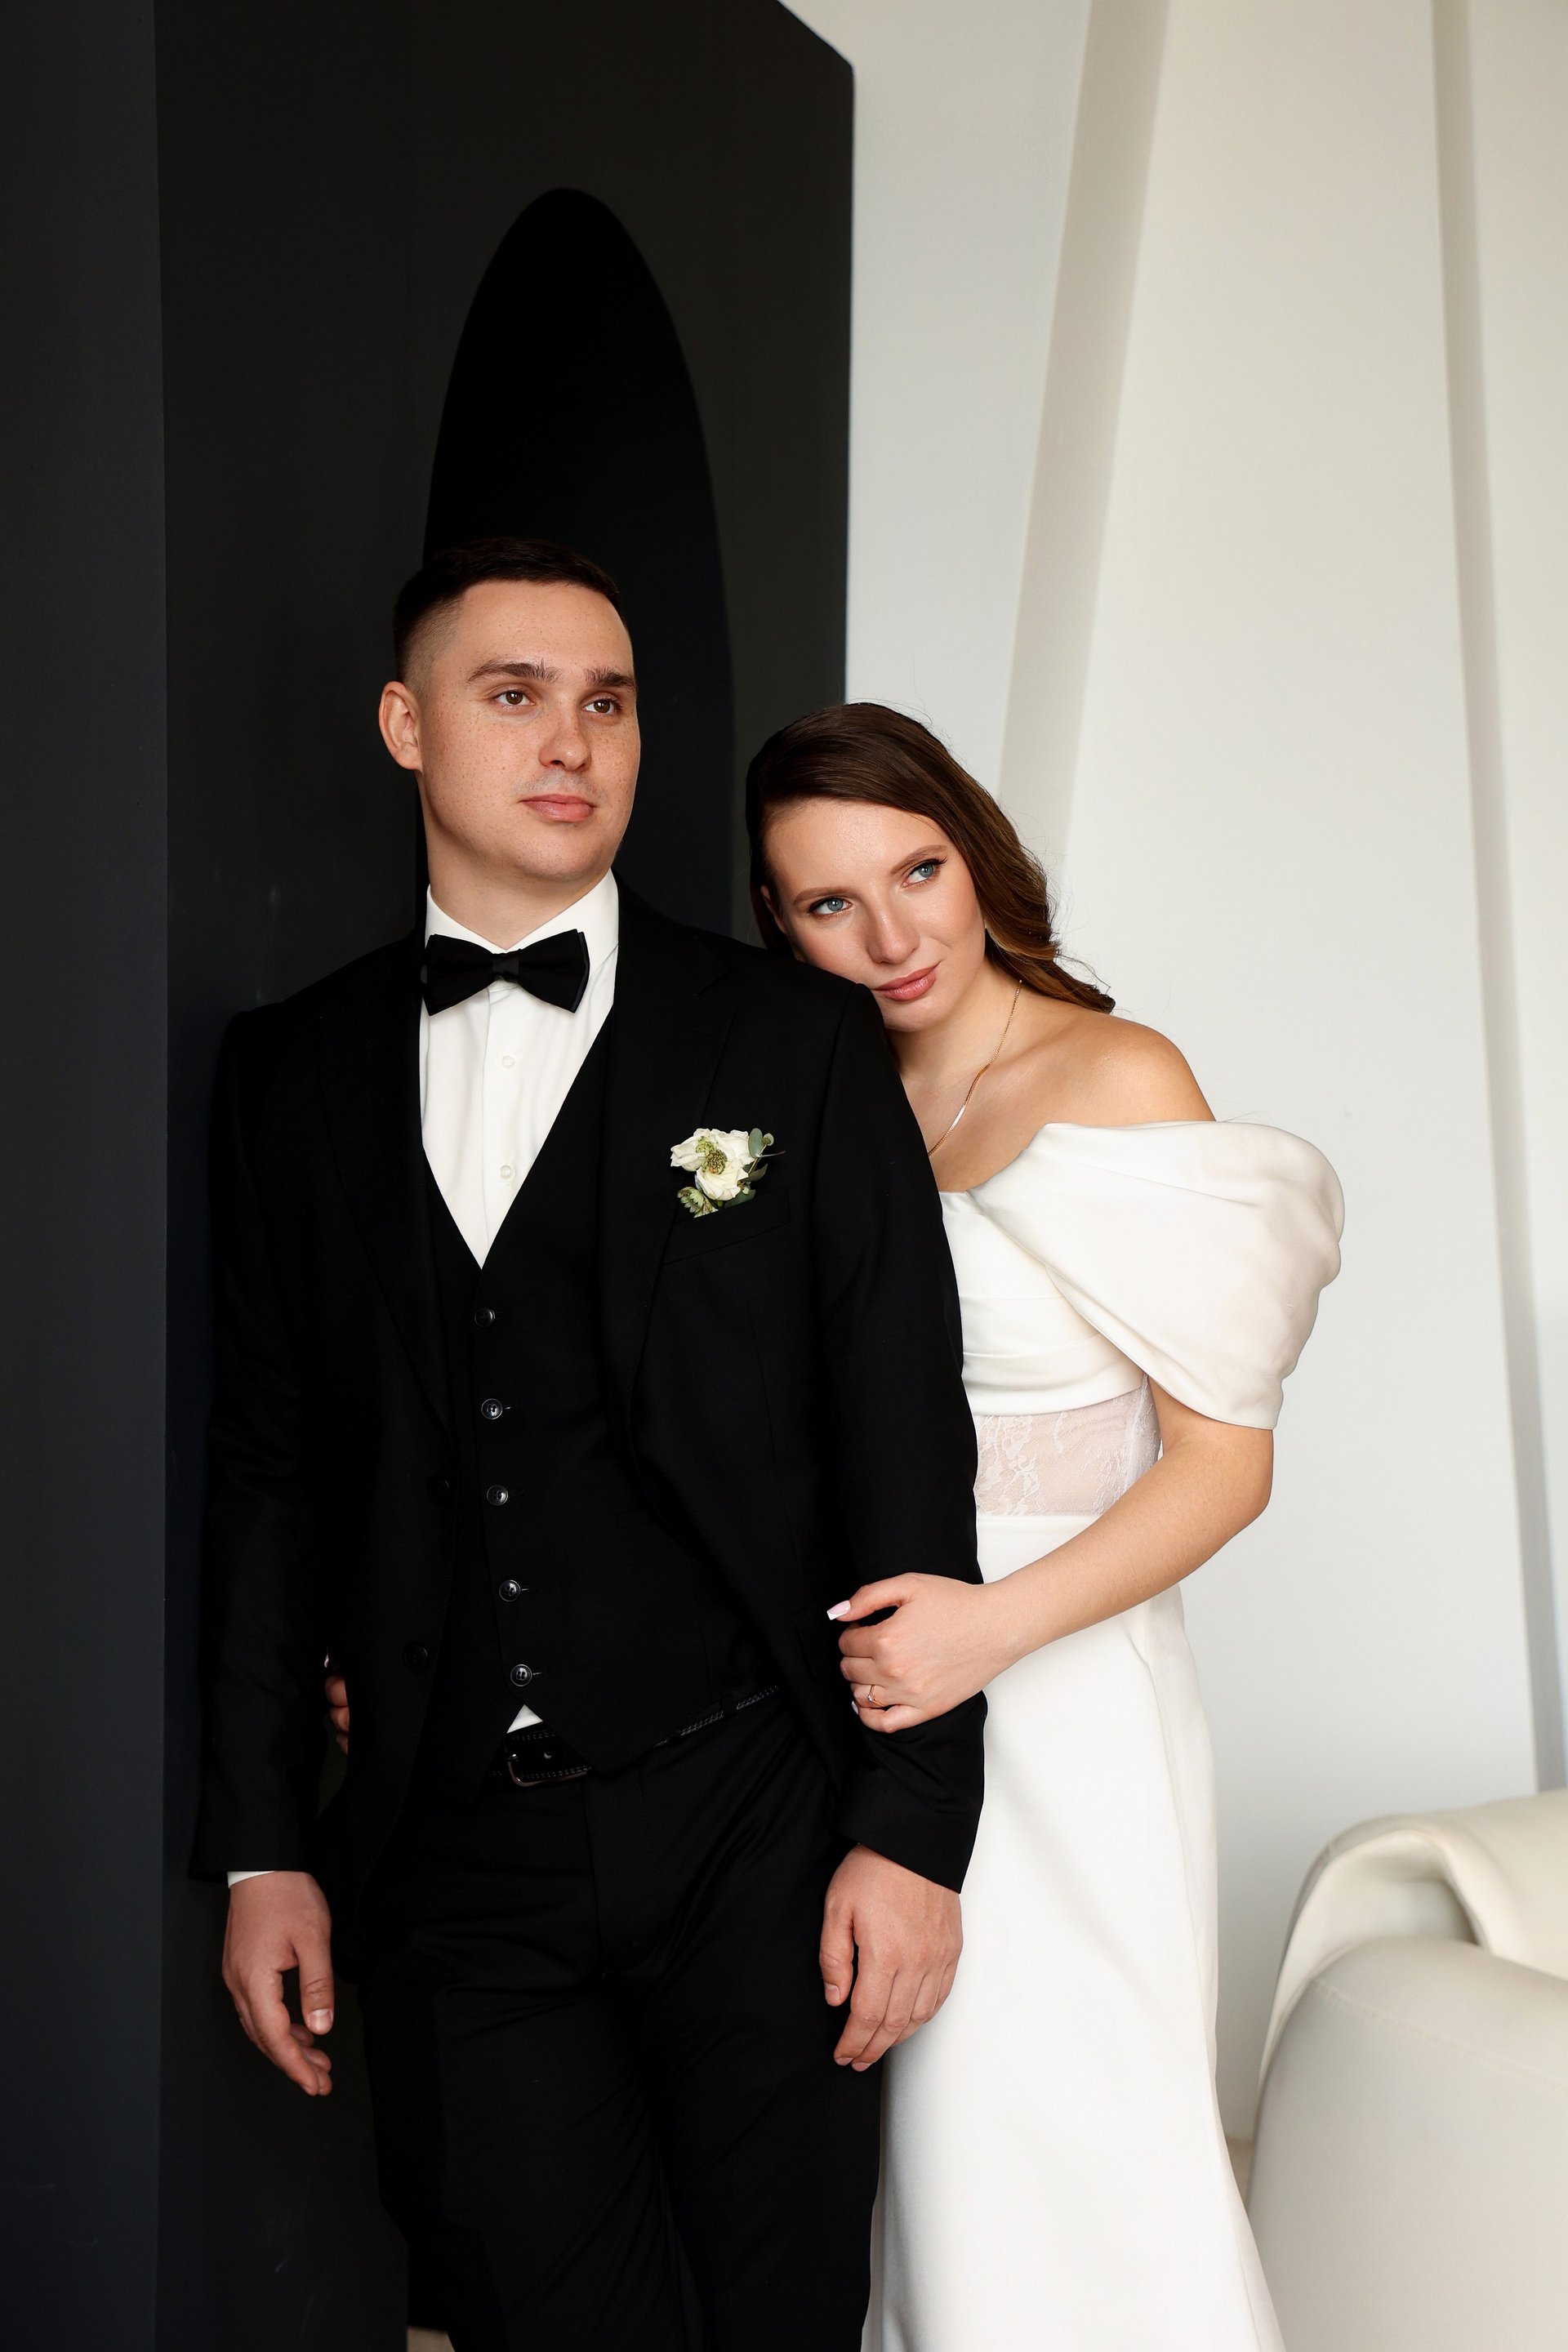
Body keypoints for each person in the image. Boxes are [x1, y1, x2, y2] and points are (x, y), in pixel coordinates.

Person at [193, 541, 987, 2352]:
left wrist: (915, 1832)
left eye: (608, 703)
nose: (573, 742)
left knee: (779, 2320)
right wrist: (260, 1843)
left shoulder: (793, 1040)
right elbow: (271, 1472)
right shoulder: (288, 1075)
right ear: (405, 726)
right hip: (451, 1854)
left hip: (759, 1823)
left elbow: (902, 1438)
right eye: (514, 695)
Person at [745, 703, 1343, 2352]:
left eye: (918, 872)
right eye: (831, 903)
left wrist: (986, 1631)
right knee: (927, 2166)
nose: (893, 936)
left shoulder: (1118, 1077)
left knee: (1075, 2134)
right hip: (868, 1693)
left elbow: (1226, 1465)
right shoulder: (819, 1097)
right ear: (781, 927)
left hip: (1066, 1692)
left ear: (977, 857)